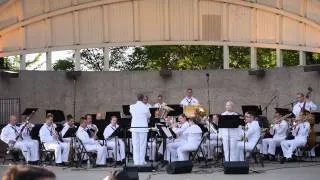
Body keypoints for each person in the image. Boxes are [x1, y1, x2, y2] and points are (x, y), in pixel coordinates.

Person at [130, 94, 151, 165]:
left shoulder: (131, 106)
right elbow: (149, 115)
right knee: (142, 145)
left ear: (137, 98)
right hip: (143, 128)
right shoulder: (146, 107)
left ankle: (136, 161)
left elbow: (132, 113)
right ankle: (142, 161)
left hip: (134, 128)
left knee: (135, 145)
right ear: (143, 99)